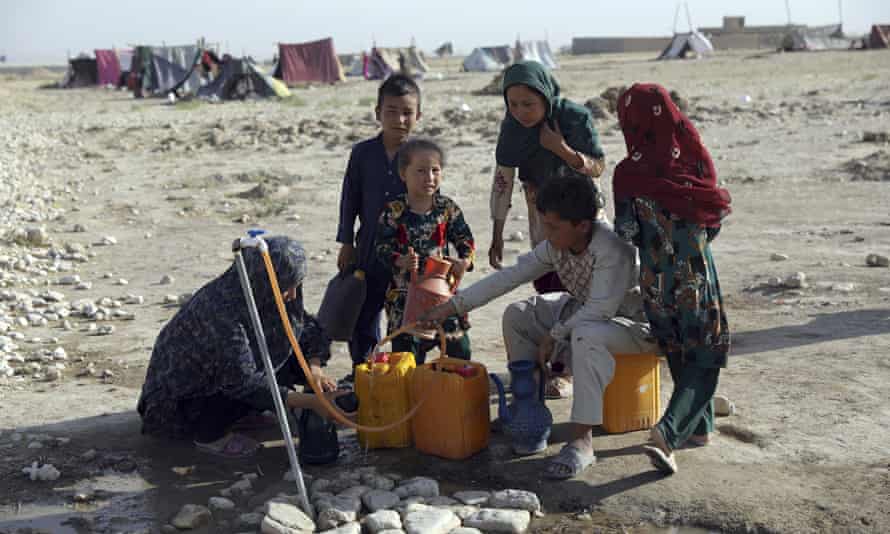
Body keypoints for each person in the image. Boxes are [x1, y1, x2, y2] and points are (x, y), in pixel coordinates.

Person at [422, 177, 656, 479]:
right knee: (518, 315)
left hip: (633, 326)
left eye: (553, 227)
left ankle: (581, 442)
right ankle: (528, 414)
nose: (546, 233)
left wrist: (556, 333)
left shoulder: (611, 248)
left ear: (582, 225)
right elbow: (510, 277)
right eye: (544, 224)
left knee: (586, 334)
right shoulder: (558, 244)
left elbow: (599, 311)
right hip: (586, 314)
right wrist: (451, 306)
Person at [137, 236, 348, 459]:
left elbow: (306, 330)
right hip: (181, 405)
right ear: (265, 280)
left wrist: (314, 372)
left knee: (290, 354)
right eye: (287, 287)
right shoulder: (222, 311)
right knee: (244, 387)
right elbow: (242, 381)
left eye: (297, 284)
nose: (293, 295)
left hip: (232, 377)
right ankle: (211, 435)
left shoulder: (270, 295)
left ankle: (244, 413)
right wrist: (312, 403)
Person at [612, 83, 732, 475]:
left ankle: (701, 429)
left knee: (680, 351)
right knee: (706, 354)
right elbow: (711, 222)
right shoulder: (694, 161)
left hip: (655, 281)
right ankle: (667, 432)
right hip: (695, 278)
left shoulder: (628, 174)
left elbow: (626, 232)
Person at [489, 60, 608, 398]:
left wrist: (561, 149)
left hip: (582, 215)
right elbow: (503, 181)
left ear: (546, 96)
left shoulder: (573, 118)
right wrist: (497, 231)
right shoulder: (512, 131)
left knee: (585, 288)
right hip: (542, 215)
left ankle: (571, 369)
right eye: (513, 104)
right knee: (549, 284)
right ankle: (553, 362)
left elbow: (597, 166)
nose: (521, 112)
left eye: (529, 103)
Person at [336, 74, 422, 377]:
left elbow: (433, 204)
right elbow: (350, 199)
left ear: (418, 115)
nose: (399, 119)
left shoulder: (421, 156)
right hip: (369, 247)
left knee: (405, 315)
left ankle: (405, 373)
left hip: (409, 250)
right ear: (378, 114)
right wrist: (346, 243)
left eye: (407, 112)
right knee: (364, 311)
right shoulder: (362, 154)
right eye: (391, 111)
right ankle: (365, 369)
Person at [376, 139, 475, 363]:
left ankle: (454, 393)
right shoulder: (394, 211)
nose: (429, 178)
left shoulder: (446, 208)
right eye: (420, 171)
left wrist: (464, 262)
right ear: (403, 174)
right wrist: (400, 260)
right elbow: (381, 247)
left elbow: (465, 239)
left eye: (435, 170)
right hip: (404, 294)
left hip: (441, 291)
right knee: (407, 356)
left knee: (459, 349)